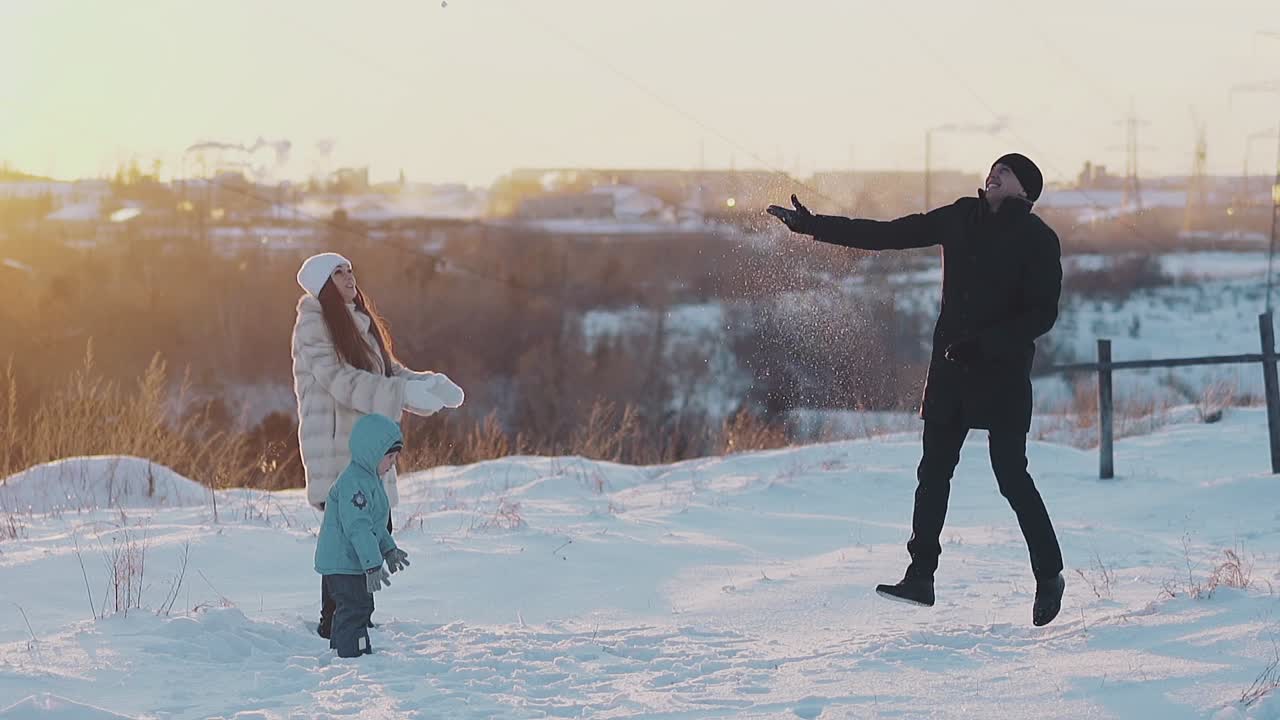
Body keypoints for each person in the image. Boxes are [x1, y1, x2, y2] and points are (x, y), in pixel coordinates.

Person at [767, 153, 1066, 626]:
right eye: (992, 168)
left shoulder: (1037, 239)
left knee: (1011, 476)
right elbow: (889, 234)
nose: (993, 175)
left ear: (1025, 190)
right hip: (950, 369)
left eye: (1004, 172)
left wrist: (985, 346)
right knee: (933, 474)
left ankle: (1049, 575)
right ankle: (920, 575)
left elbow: (1041, 315)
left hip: (1002, 373)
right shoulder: (959, 217)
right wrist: (813, 227)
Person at [291, 251, 464, 638]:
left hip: (366, 447)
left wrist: (425, 382)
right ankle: (338, 622)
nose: (349, 277)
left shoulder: (357, 322)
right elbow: (340, 381)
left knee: (369, 526)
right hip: (338, 448)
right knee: (351, 535)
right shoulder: (314, 324)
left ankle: (346, 618)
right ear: (322, 284)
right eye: (338, 273)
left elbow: (386, 372)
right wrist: (401, 392)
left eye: (350, 269)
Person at [314, 413, 412, 657]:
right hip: (342, 562)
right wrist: (372, 564)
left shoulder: (370, 480)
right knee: (355, 607)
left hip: (350, 560)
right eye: (389, 456)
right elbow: (358, 527)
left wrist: (389, 549)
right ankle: (352, 657)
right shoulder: (354, 483)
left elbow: (375, 526)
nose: (393, 463)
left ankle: (345, 650)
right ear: (372, 453)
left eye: (395, 457)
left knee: (358, 606)